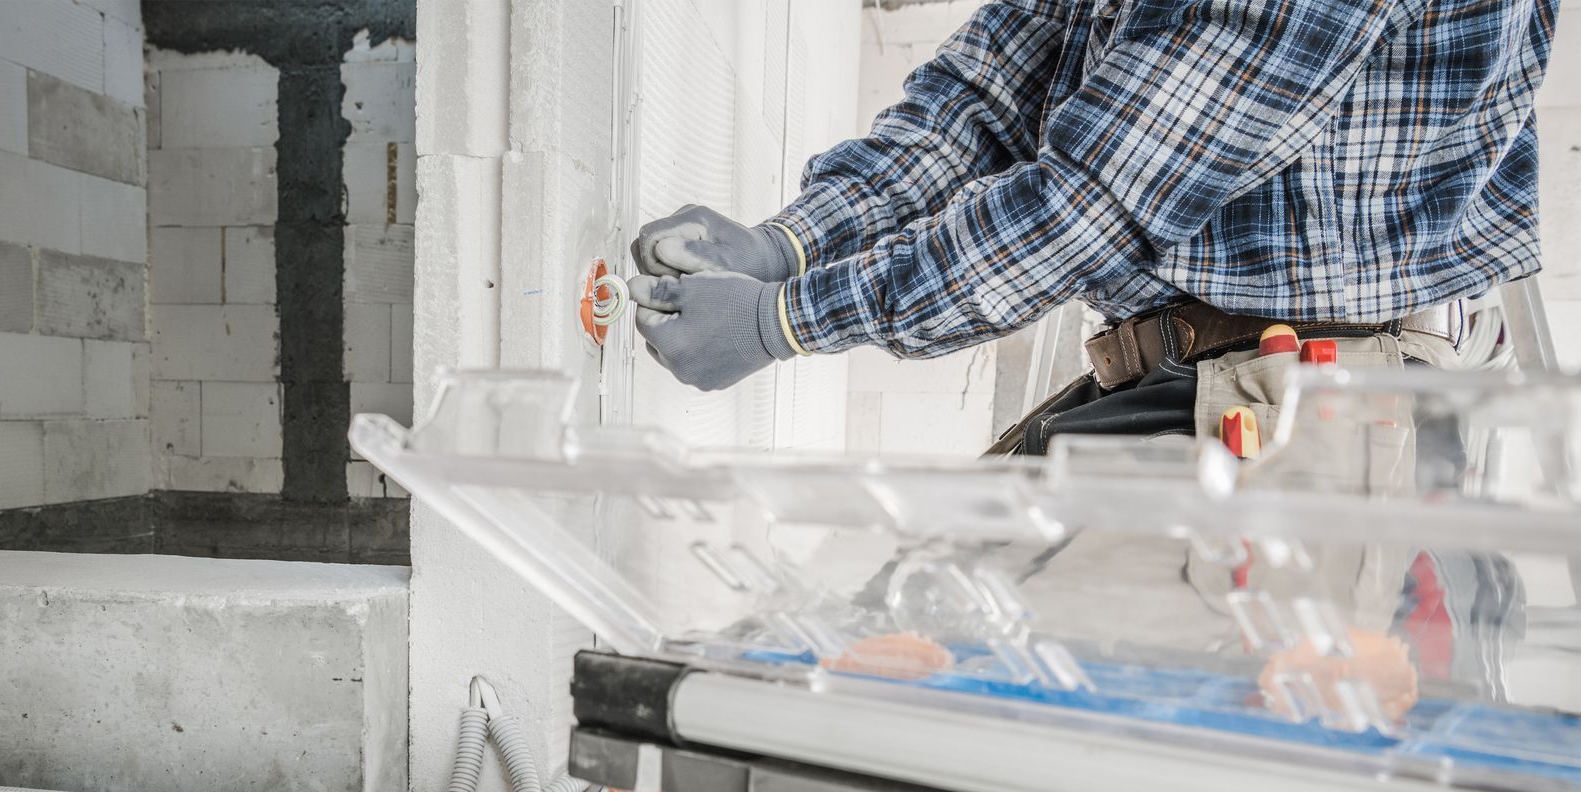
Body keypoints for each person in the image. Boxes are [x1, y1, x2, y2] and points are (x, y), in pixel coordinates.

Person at [627, 0, 1555, 452]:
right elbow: (983, 98)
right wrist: (792, 243)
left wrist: (783, 319)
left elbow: (1096, 198)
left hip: (1310, 415)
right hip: (1200, 376)